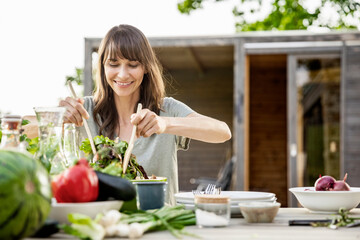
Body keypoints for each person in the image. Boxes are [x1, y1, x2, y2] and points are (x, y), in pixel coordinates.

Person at [59, 24, 232, 205]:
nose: (123, 74)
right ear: (102, 66)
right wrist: (57, 118)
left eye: (133, 65)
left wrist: (165, 124)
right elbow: (26, 129)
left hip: (158, 225)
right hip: (101, 225)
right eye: (113, 64)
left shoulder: (166, 109)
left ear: (146, 67)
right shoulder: (84, 110)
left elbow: (222, 132)